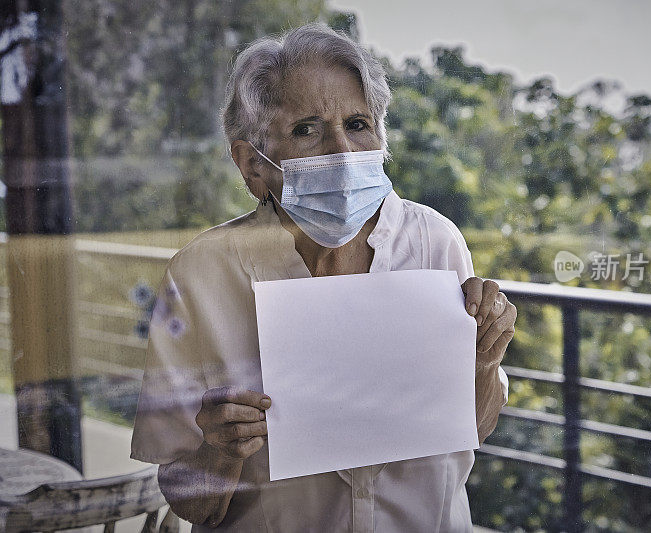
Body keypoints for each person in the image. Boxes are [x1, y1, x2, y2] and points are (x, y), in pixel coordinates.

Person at [130, 23, 517, 532]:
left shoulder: (434, 243)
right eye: (306, 129)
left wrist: (484, 363)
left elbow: (475, 427)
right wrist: (220, 454)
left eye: (358, 123)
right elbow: (190, 504)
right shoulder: (203, 273)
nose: (343, 150)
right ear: (252, 165)